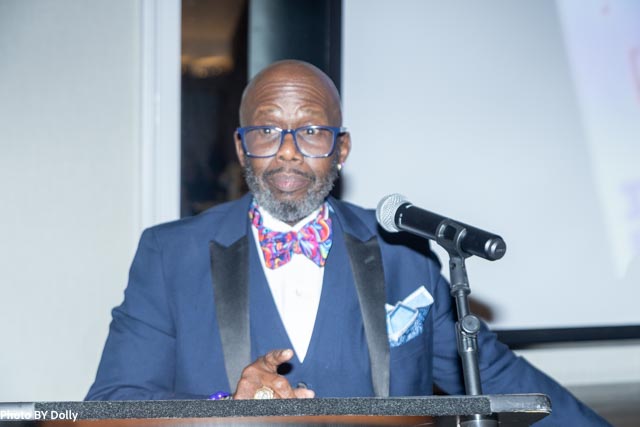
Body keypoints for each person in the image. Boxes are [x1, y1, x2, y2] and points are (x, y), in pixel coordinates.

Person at [86, 60, 609, 425]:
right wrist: (225, 409)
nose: (288, 152)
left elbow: (495, 378)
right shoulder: (168, 255)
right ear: (242, 149)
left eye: (312, 131)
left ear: (341, 149)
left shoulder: (405, 256)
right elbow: (112, 405)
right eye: (267, 131)